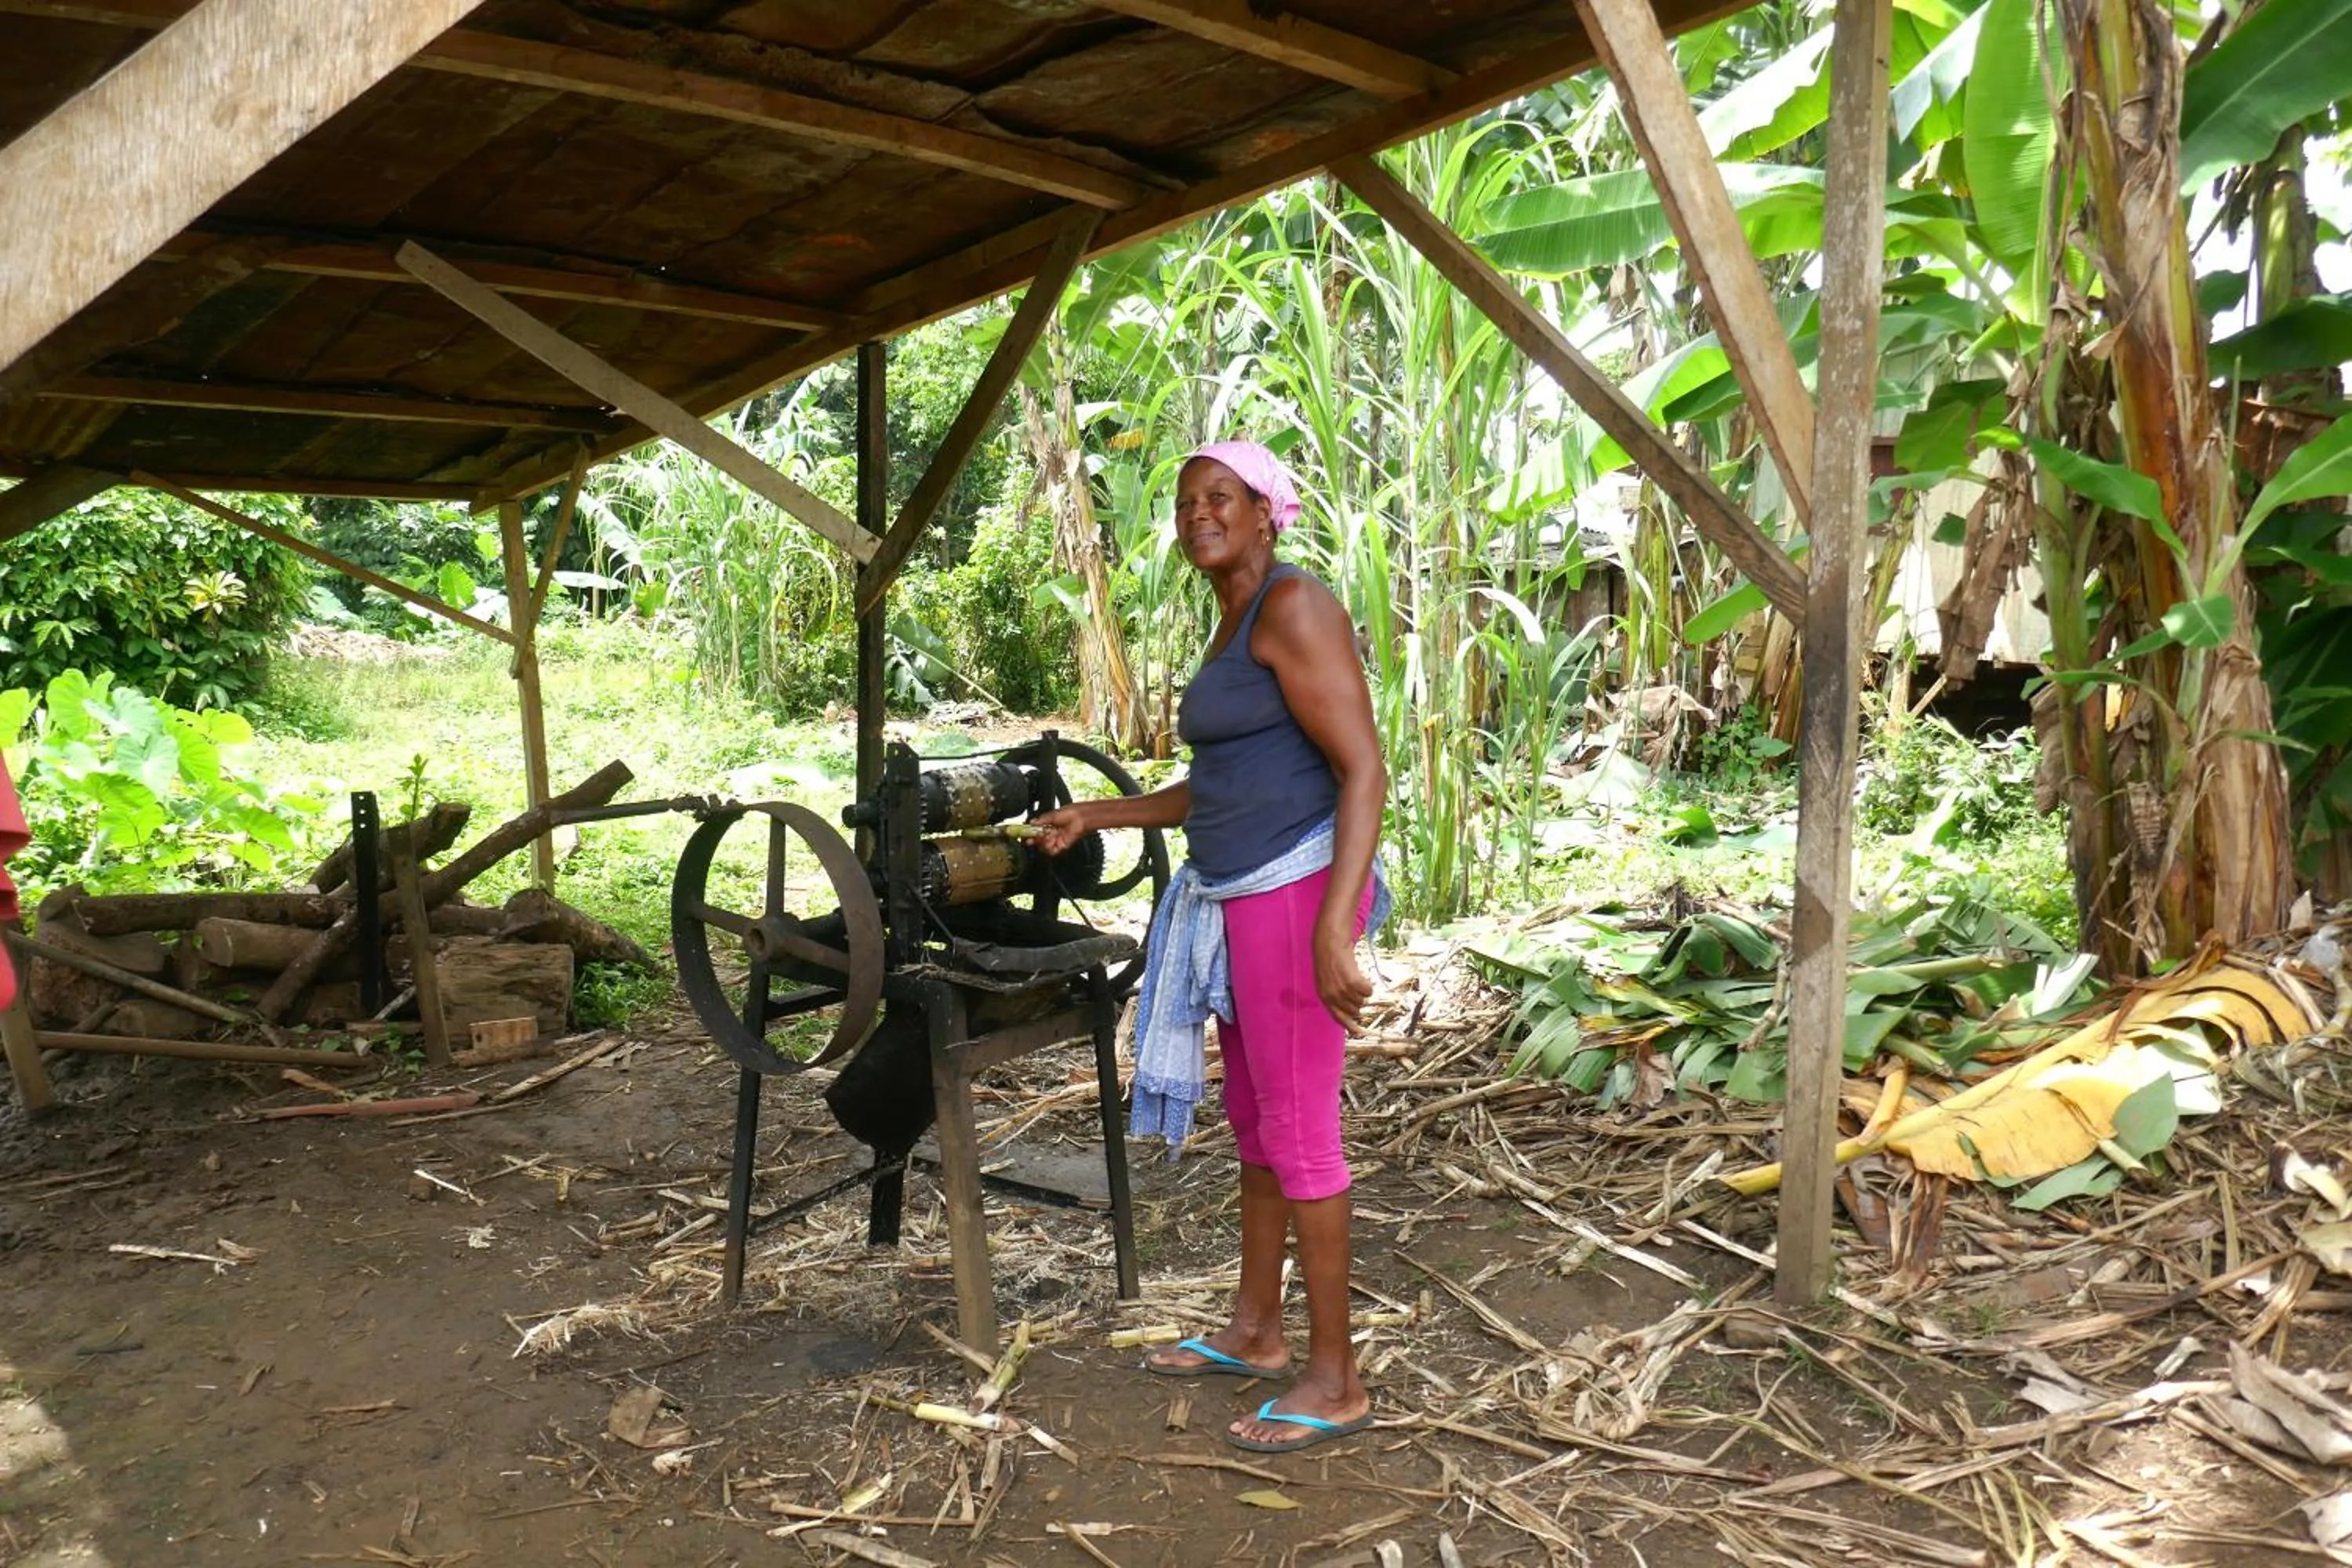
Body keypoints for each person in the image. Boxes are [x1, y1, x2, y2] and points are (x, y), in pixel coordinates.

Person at [1030, 440, 1388, 1454]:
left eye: (1219, 496)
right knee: (1259, 1126)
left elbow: (1363, 770)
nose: (1198, 513)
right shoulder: (1236, 615)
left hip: (1291, 898)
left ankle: (1337, 1377)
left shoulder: (1294, 606)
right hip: (1238, 899)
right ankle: (1257, 1331)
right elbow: (1220, 784)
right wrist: (1100, 812)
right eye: (1188, 501)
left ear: (1268, 510)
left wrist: (1334, 926)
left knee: (1302, 1133)